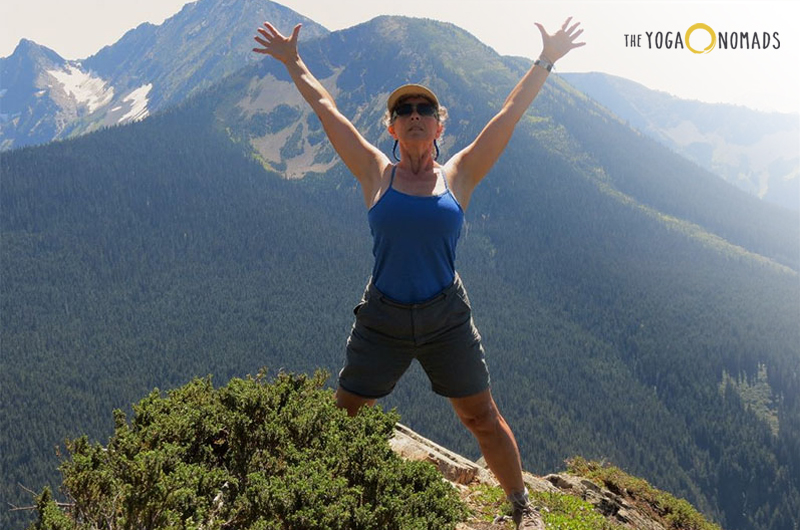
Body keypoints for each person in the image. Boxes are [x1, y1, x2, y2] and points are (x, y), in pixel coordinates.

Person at [253, 17, 584, 530]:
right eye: (403, 110)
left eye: (424, 109)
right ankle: (302, 499)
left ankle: (521, 506)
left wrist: (545, 61)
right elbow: (326, 109)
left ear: (439, 125)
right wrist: (293, 61)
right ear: (390, 126)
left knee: (481, 417)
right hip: (382, 316)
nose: (413, 115)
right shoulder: (373, 172)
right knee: (341, 416)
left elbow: (508, 114)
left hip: (445, 317)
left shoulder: (460, 175)